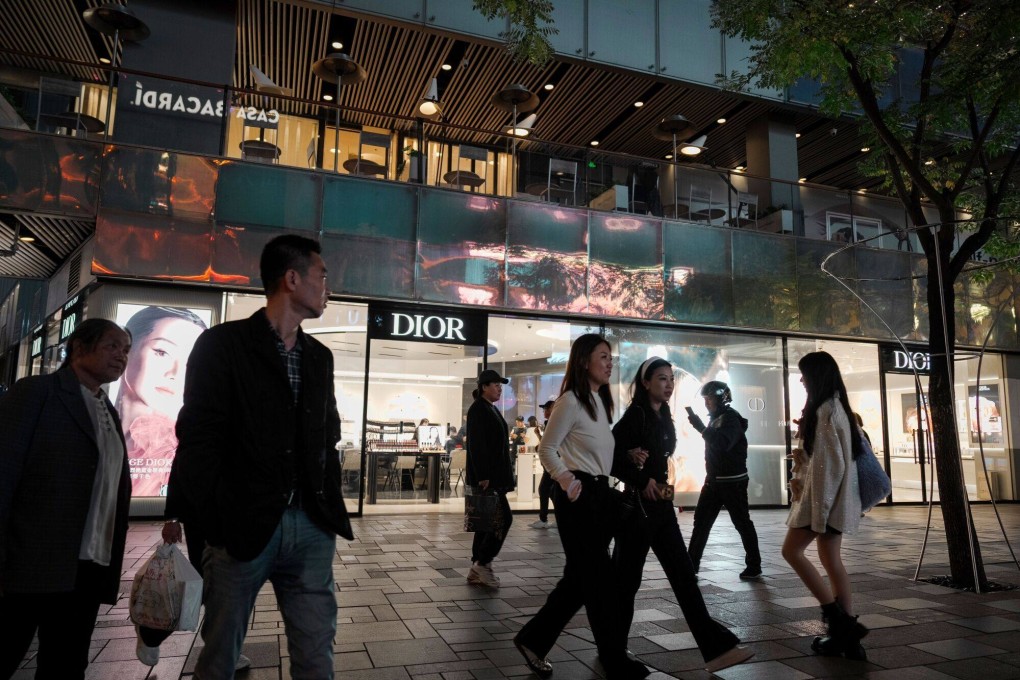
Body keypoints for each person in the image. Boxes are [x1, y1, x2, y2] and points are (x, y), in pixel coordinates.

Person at [172, 234, 352, 680]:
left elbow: (327, 432)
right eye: (322, 275)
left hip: (310, 525)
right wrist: (211, 518)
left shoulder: (318, 356)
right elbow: (198, 436)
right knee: (220, 654)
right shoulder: (223, 345)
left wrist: (324, 502)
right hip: (241, 526)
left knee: (316, 654)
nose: (328, 286)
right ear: (292, 279)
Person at [0, 319, 133, 680]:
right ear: (78, 347)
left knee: (67, 662)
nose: (121, 356)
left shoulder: (109, 410)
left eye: (126, 349)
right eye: (112, 346)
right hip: (29, 562)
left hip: (88, 564)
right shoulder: (37, 393)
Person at [514, 334, 647, 680]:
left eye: (611, 357)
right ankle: (613, 657)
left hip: (599, 495)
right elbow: (547, 449)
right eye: (603, 356)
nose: (610, 363)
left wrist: (624, 456)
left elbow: (596, 453)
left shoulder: (598, 402)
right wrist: (567, 481)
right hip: (580, 498)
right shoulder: (571, 401)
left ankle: (533, 641)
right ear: (584, 360)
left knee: (580, 580)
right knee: (600, 579)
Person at [612, 358, 753, 673]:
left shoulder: (663, 414)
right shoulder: (635, 415)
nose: (668, 384)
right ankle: (613, 651)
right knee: (626, 583)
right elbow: (609, 455)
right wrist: (639, 475)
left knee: (685, 577)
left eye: (670, 379)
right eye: (661, 379)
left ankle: (716, 648)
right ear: (646, 382)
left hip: (660, 508)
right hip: (638, 511)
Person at [783, 351, 868, 660]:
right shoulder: (838, 407)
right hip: (836, 501)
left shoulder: (826, 410)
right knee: (832, 560)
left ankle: (839, 623)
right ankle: (847, 638)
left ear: (816, 375)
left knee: (791, 552)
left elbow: (828, 469)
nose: (802, 379)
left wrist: (818, 513)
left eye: (804, 373)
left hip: (823, 503)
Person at [115, 305, 207, 497]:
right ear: (127, 351)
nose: (174, 373)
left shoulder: (171, 446)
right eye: (162, 352)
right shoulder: (97, 414)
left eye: (190, 362)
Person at [685, 380, 762, 580]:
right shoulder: (717, 418)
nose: (706, 403)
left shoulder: (730, 419)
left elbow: (722, 443)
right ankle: (690, 566)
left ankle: (754, 565)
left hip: (732, 482)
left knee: (741, 522)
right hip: (713, 481)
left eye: (709, 398)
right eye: (705, 399)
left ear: (721, 398)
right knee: (701, 523)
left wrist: (701, 427)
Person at [465, 369, 516, 587]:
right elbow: (477, 444)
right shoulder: (479, 409)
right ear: (484, 386)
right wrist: (483, 475)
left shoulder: (489, 408)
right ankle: (482, 564)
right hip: (488, 479)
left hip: (494, 476)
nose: (499, 389)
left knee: (485, 524)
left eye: (501, 386)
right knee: (503, 520)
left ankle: (477, 567)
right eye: (496, 385)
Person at [530, 399, 556, 529]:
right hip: (550, 463)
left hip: (553, 463)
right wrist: (539, 436)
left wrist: (539, 445)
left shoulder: (555, 423)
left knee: (544, 489)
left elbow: (551, 445)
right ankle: (554, 518)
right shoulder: (549, 424)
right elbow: (546, 443)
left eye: (547, 408)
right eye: (544, 409)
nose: (544, 411)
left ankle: (544, 519)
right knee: (551, 491)